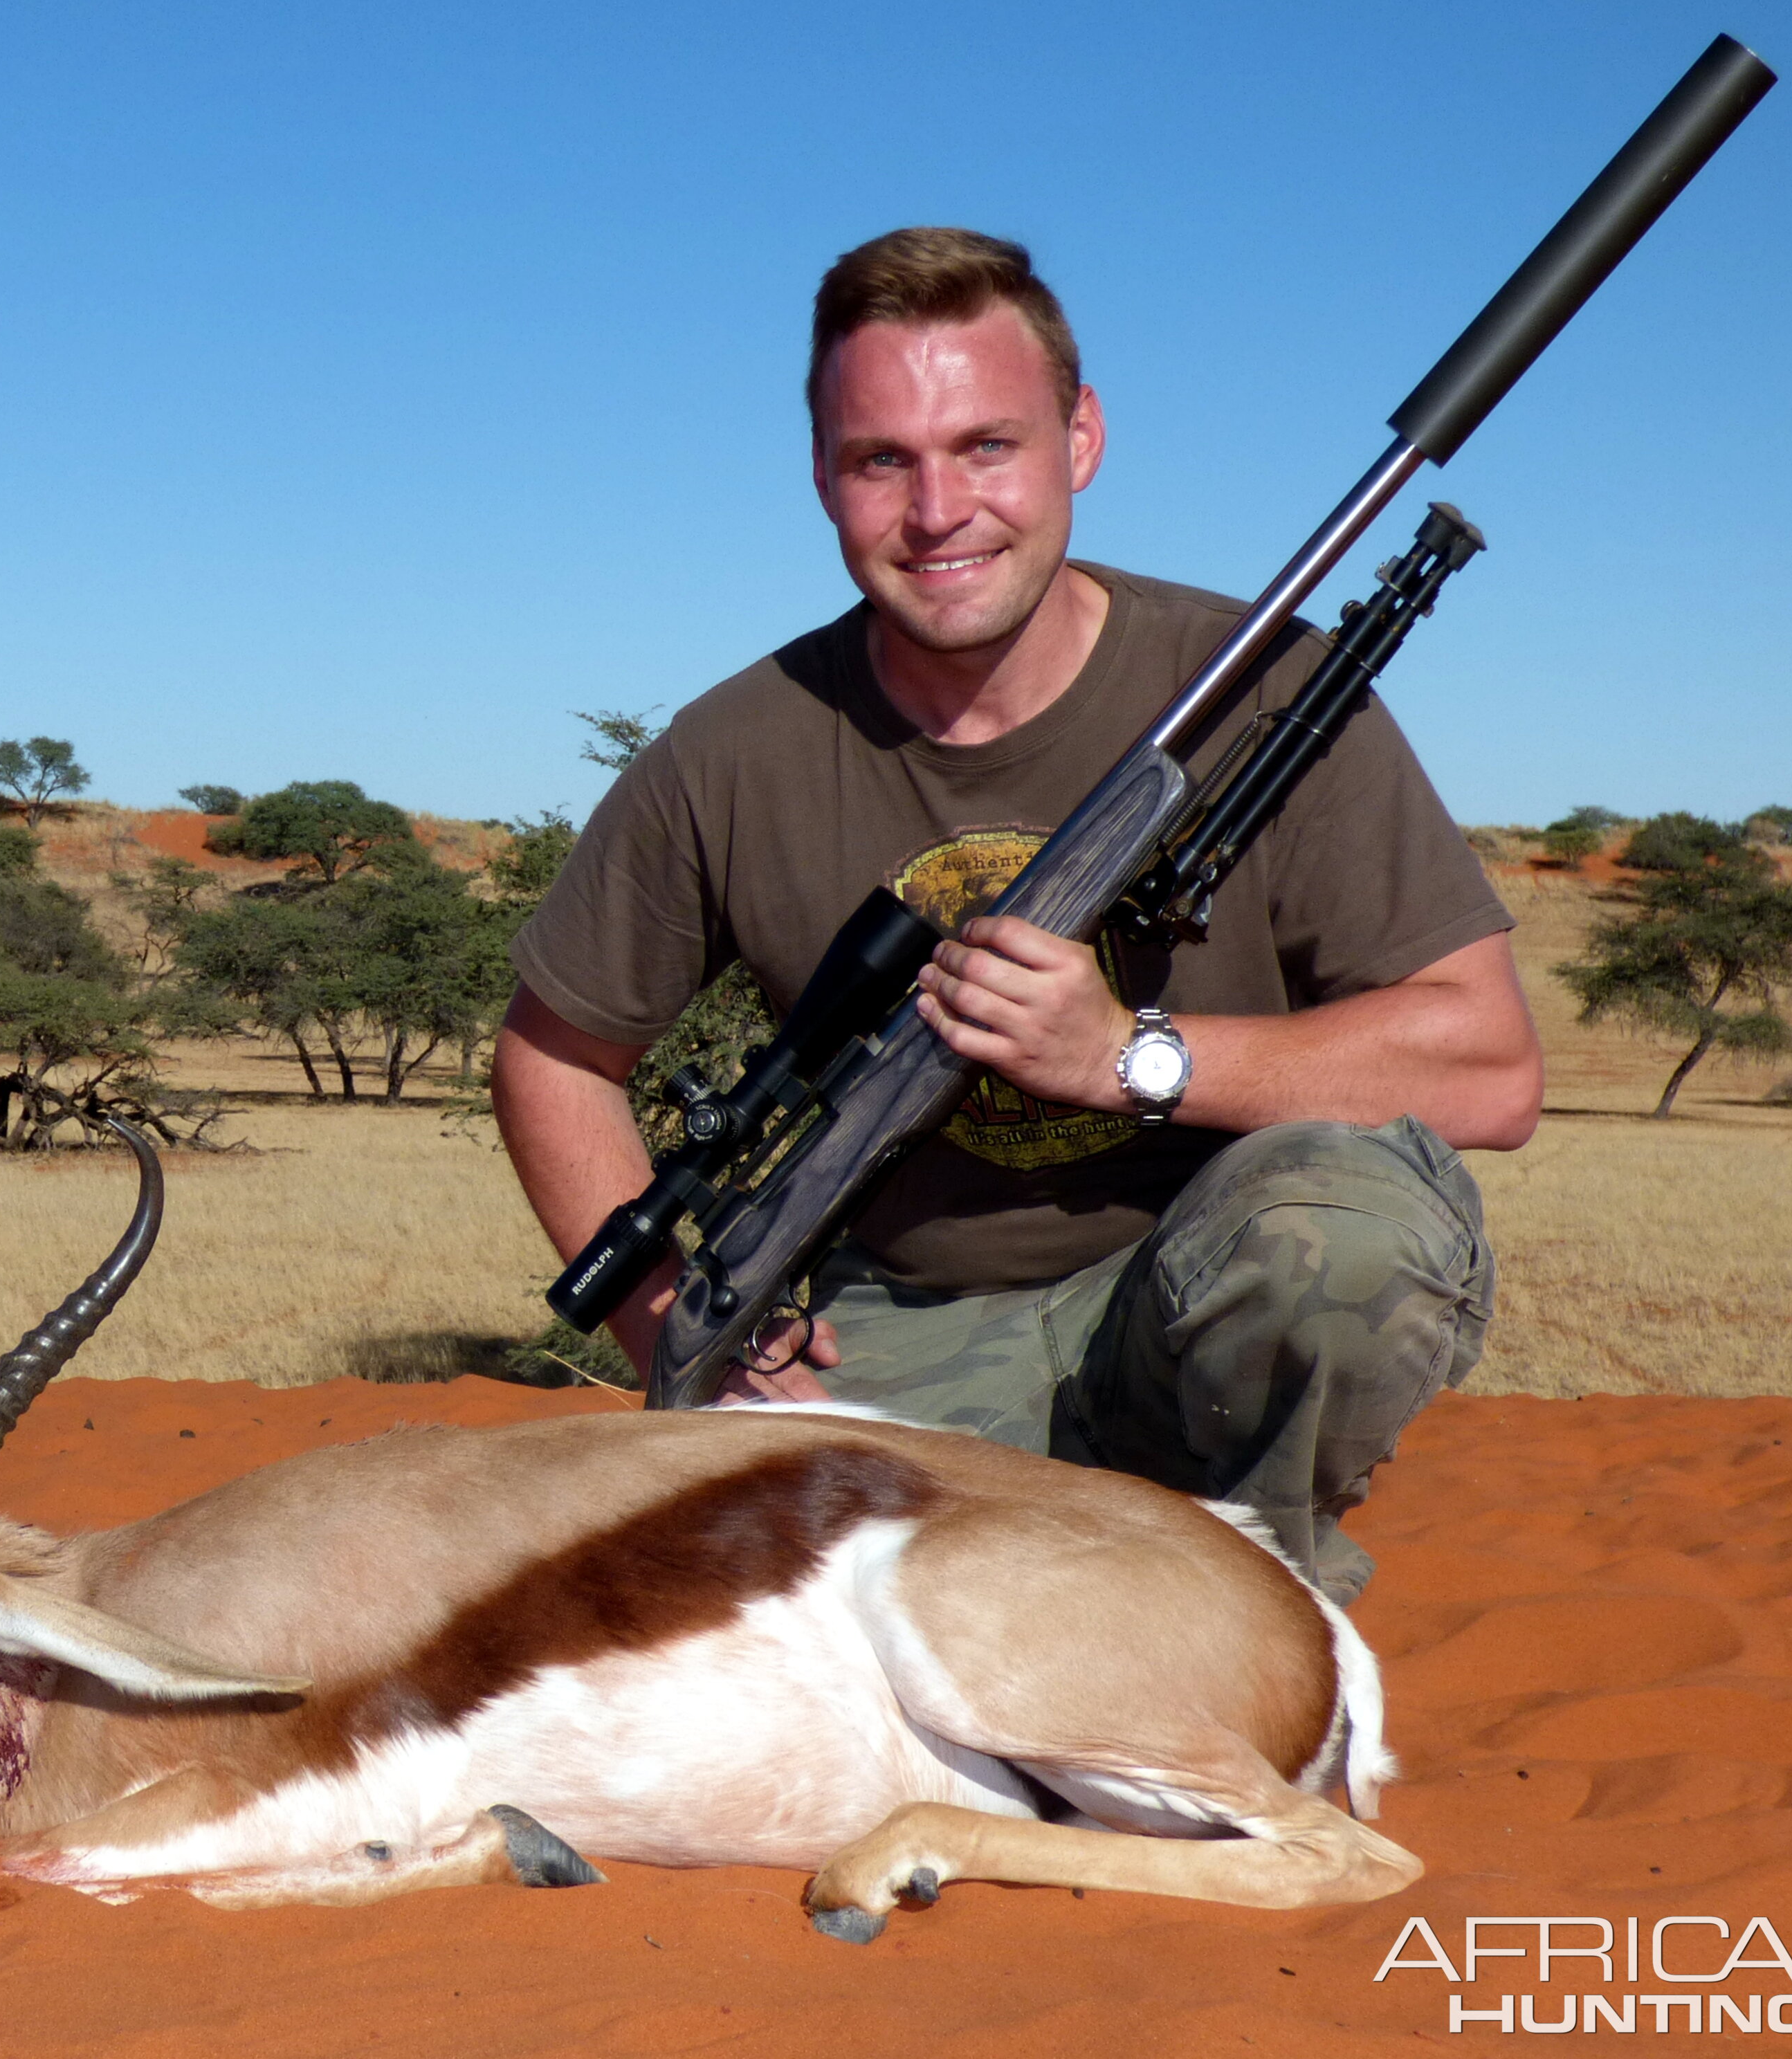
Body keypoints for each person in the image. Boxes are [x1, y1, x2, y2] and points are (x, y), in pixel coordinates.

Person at [491, 228, 1544, 1602]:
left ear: (1079, 438)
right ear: (821, 476)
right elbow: (555, 1056)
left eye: (985, 446)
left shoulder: (1266, 684)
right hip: (904, 1324)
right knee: (808, 1654)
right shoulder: (729, 753)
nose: (938, 511)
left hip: (1192, 1302)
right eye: (883, 460)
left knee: (1342, 1236)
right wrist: (668, 1328)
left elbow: (1487, 1064)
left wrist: (1125, 1055)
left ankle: (1256, 1607)